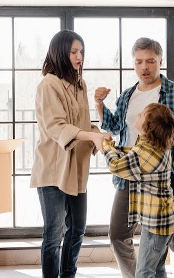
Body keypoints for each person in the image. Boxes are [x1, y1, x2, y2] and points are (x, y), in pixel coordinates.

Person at [95, 37, 174, 278]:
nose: (144, 67)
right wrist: (98, 103)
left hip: (167, 180)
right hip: (131, 174)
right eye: (139, 61)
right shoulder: (128, 96)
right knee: (118, 235)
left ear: (160, 61)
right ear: (134, 64)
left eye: (150, 61)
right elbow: (114, 125)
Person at [32, 29, 110, 278]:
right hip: (53, 170)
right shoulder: (48, 85)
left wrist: (99, 134)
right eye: (74, 51)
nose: (80, 57)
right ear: (60, 53)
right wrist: (91, 136)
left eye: (82, 52)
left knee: (77, 229)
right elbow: (57, 126)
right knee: (53, 235)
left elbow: (82, 123)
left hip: (76, 169)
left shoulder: (80, 84)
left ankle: (69, 274)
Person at [103, 103, 174, 278]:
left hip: (157, 225)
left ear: (148, 127)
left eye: (142, 114)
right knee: (157, 269)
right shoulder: (154, 145)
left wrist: (106, 147)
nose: (138, 114)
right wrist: (113, 146)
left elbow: (116, 166)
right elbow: (132, 154)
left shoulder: (148, 153)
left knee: (144, 272)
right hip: (164, 221)